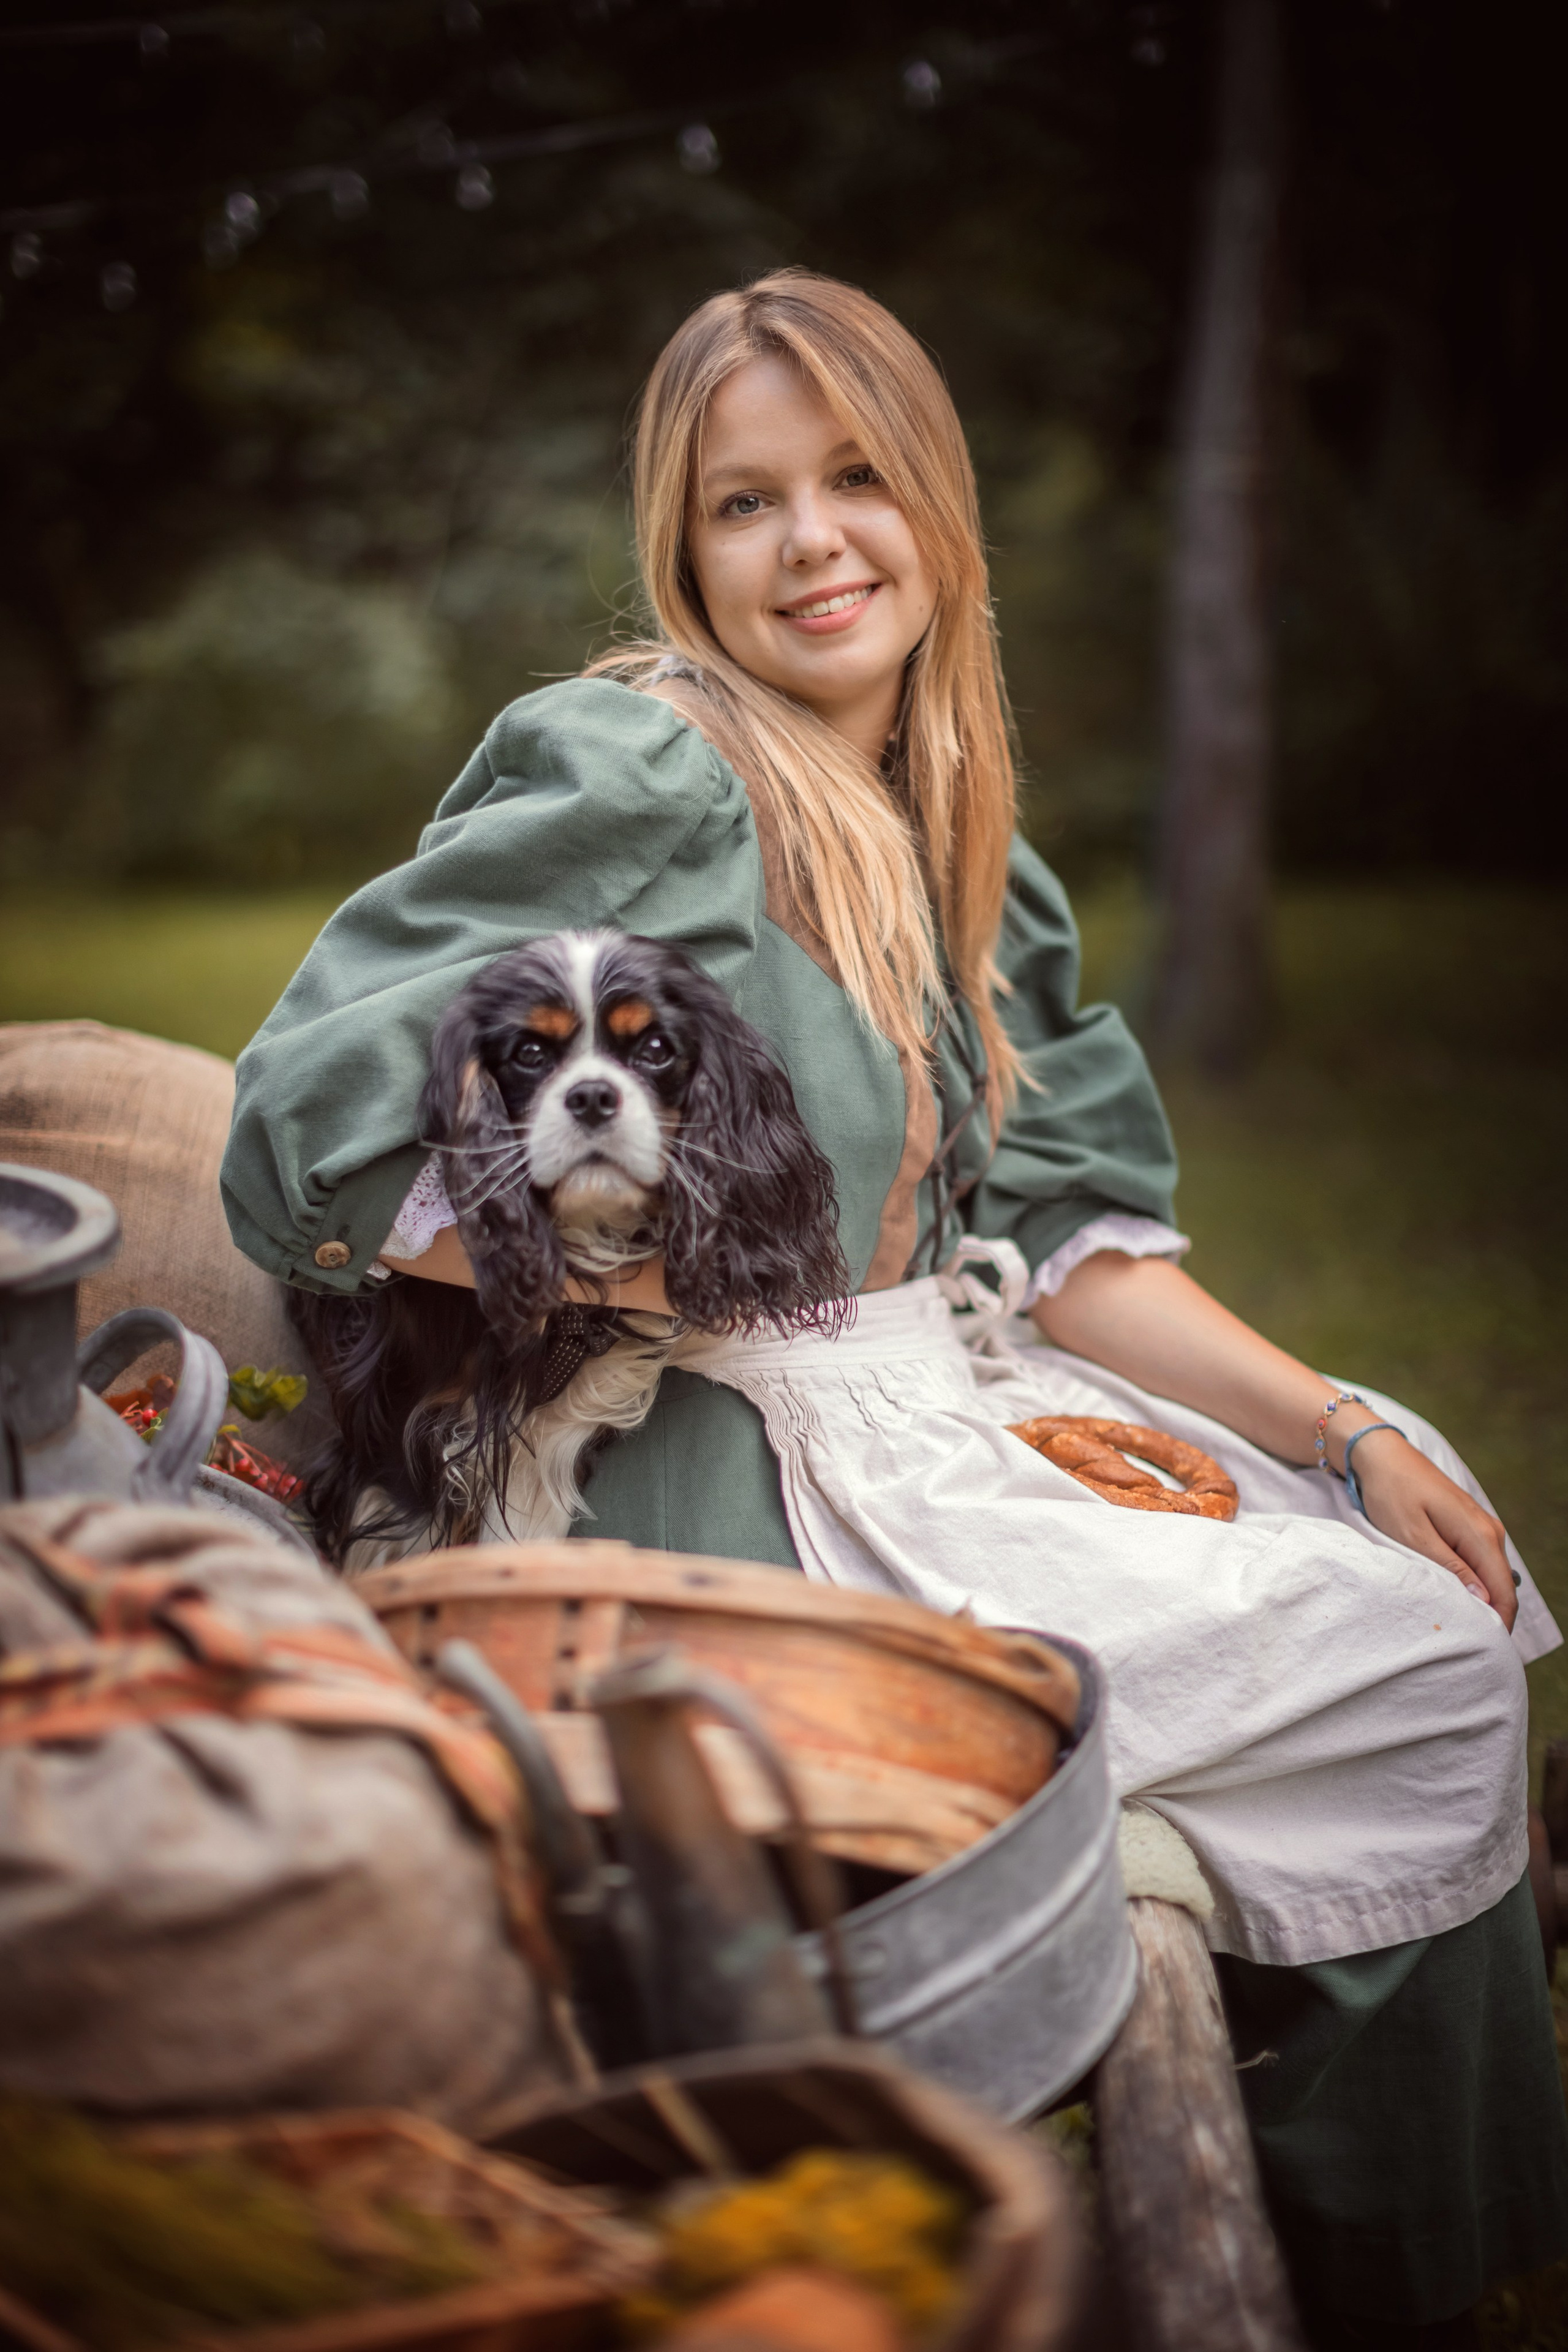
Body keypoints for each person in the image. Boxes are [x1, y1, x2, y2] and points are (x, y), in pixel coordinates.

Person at [222, 270, 1567, 2345]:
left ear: (937, 504)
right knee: (1401, 1670)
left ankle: (1392, 2259)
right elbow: (307, 1123)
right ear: (687, 547)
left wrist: (1346, 1431)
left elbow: (1087, 1236)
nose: (813, 542)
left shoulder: (961, 847)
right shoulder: (646, 766)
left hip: (946, 1386)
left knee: (1425, 1577)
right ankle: (1391, 2271)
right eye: (747, 503)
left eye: (856, 479)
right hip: (718, 1456)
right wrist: (630, 1264)